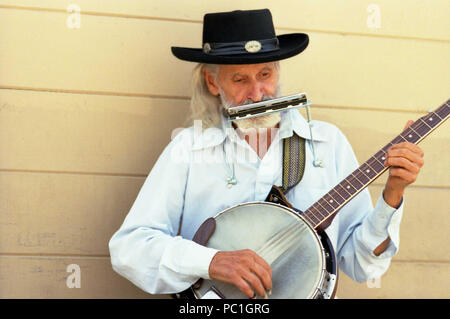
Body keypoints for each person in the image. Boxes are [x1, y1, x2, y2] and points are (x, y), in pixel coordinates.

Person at [108, 9, 424, 299]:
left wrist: (393, 193)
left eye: (265, 75)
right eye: (240, 79)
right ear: (213, 82)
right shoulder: (188, 149)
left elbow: (363, 266)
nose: (257, 93)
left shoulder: (328, 144)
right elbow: (130, 248)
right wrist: (212, 261)